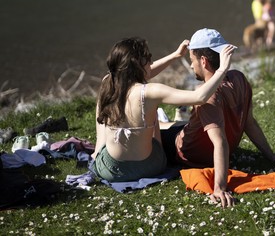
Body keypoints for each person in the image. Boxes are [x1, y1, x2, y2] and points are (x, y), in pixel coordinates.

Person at [162, 28, 275, 208]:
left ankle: (165, 119)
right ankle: (174, 119)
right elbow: (249, 123)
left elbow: (220, 143)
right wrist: (271, 156)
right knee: (177, 125)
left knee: (156, 129)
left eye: (191, 60)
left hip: (184, 152)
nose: (191, 65)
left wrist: (219, 188)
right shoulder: (239, 79)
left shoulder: (207, 97)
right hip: (198, 139)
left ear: (203, 61)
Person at [91, 37, 235, 183]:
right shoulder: (150, 92)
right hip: (151, 166)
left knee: (105, 99)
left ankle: (97, 150)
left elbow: (145, 72)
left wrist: (176, 55)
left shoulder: (108, 83)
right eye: (148, 58)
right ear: (138, 63)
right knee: (150, 108)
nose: (152, 62)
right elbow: (200, 97)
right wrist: (222, 69)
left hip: (111, 170)